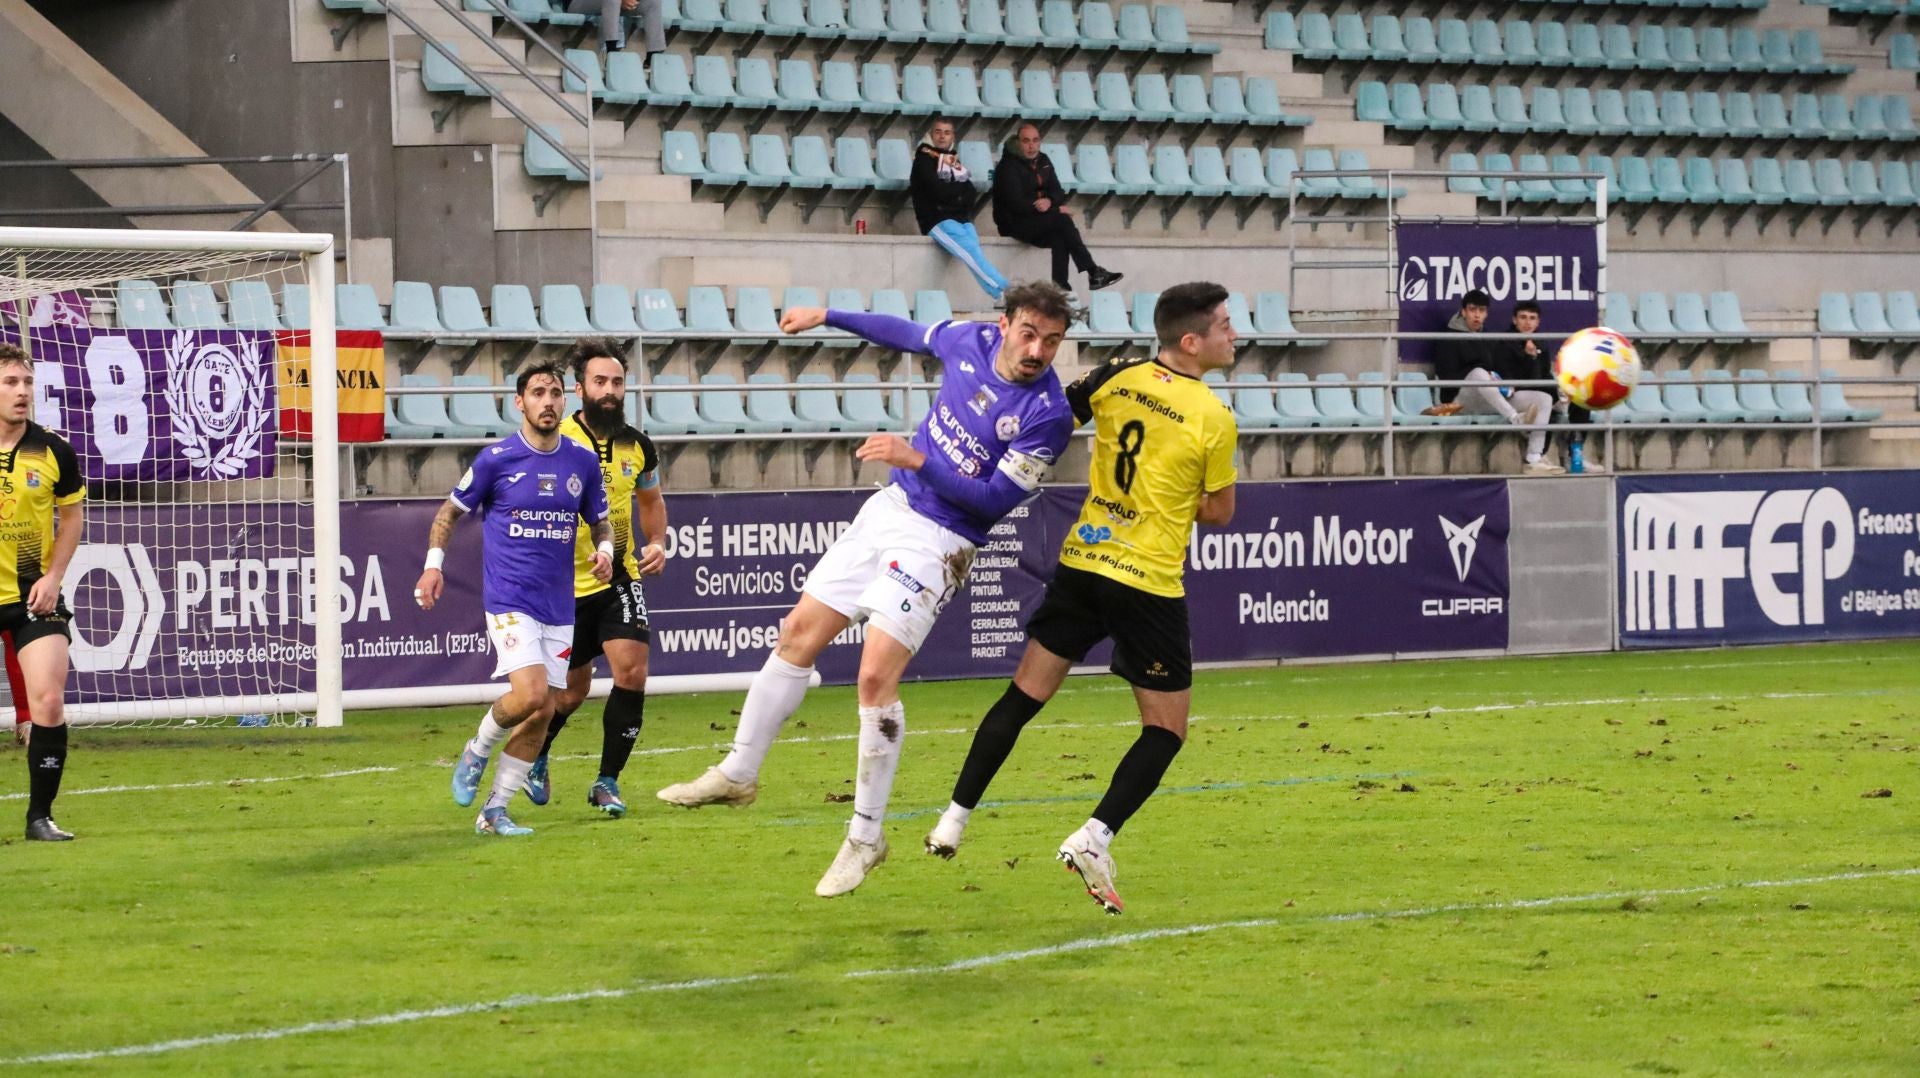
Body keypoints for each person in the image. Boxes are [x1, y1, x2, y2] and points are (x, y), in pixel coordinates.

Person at [656, 281, 1079, 898]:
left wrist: (917, 459)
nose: (1038, 350)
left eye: (1053, 341)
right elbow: (903, 332)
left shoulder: (1048, 415)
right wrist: (828, 314)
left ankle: (865, 837)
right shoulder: (968, 339)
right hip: (891, 510)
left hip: (942, 541)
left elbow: (992, 500)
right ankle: (738, 772)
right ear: (1004, 322)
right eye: (1029, 333)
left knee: (874, 678)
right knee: (797, 634)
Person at [922, 282, 1239, 915]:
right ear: (1191, 340)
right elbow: (1220, 512)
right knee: (1166, 730)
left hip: (1083, 562)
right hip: (1146, 581)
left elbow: (1051, 415)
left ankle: (952, 820)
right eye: (1226, 326)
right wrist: (1169, 498)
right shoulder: (1214, 417)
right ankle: (1093, 837)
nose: (1235, 335)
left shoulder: (1115, 378)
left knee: (1022, 697)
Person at [416, 361, 613, 837]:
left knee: (545, 709)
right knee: (529, 695)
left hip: (558, 605)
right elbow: (450, 512)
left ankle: (495, 811)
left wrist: (605, 550)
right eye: (538, 393)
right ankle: (477, 749)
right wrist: (433, 565)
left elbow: (601, 520)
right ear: (519, 402)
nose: (548, 401)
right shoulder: (496, 459)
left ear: (566, 401)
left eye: (556, 393)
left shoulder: (582, 462)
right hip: (509, 598)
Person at [506, 340, 666, 819]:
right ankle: (535, 754)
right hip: (560, 587)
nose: (610, 390)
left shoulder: (638, 444)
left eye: (617, 382)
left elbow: (652, 503)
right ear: (579, 389)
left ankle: (607, 782)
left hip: (618, 575)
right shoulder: (555, 439)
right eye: (600, 382)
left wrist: (657, 541)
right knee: (570, 693)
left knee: (632, 671)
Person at [0, 344, 86, 842]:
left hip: (33, 595)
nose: (22, 392)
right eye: (11, 382)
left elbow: (72, 516)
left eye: (27, 383)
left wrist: (53, 576)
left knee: (49, 701)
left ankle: (39, 817)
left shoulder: (54, 449)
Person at [1432, 289, 1561, 475]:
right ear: (1463, 311)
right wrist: (1484, 375)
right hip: (1458, 399)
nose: (1477, 315)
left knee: (1543, 399)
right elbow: (1446, 375)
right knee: (1478, 373)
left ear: (1487, 313)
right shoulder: (1447, 336)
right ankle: (1516, 419)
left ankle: (1534, 457)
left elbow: (1499, 371)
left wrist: (1497, 378)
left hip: (1491, 398)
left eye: (1482, 310)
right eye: (1472, 309)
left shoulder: (1489, 337)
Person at [991, 123, 1123, 293]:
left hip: (1038, 220)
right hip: (1013, 223)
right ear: (1018, 142)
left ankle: (1061, 288)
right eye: (1026, 141)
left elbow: (1058, 191)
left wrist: (1049, 201)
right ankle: (1093, 271)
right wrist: (1055, 209)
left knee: (1060, 236)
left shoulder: (1044, 160)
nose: (1031, 146)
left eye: (1035, 140)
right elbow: (1017, 204)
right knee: (1062, 219)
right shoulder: (1007, 166)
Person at [912, 117, 1010, 303]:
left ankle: (997, 294)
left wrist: (956, 194)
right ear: (931, 134)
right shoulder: (923, 160)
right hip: (937, 220)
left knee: (975, 252)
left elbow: (970, 191)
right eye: (938, 132)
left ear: (953, 136)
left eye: (947, 132)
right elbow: (937, 191)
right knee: (971, 251)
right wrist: (957, 194)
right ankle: (1004, 289)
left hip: (961, 219)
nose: (942, 136)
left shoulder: (951, 159)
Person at [1505, 302, 1606, 473]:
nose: (1527, 323)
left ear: (1538, 322)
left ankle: (1575, 455)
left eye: (1532, 318)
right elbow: (1515, 378)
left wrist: (1562, 393)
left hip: (1541, 391)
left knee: (1580, 400)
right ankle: (1538, 457)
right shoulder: (1505, 342)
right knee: (1547, 401)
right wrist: (1530, 358)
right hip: (1518, 395)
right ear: (1514, 320)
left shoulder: (1540, 343)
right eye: (1523, 317)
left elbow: (1544, 375)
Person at [567, 0, 664, 62]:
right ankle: (611, 53)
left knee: (653, 2)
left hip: (612, 3)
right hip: (576, 3)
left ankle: (652, 57)